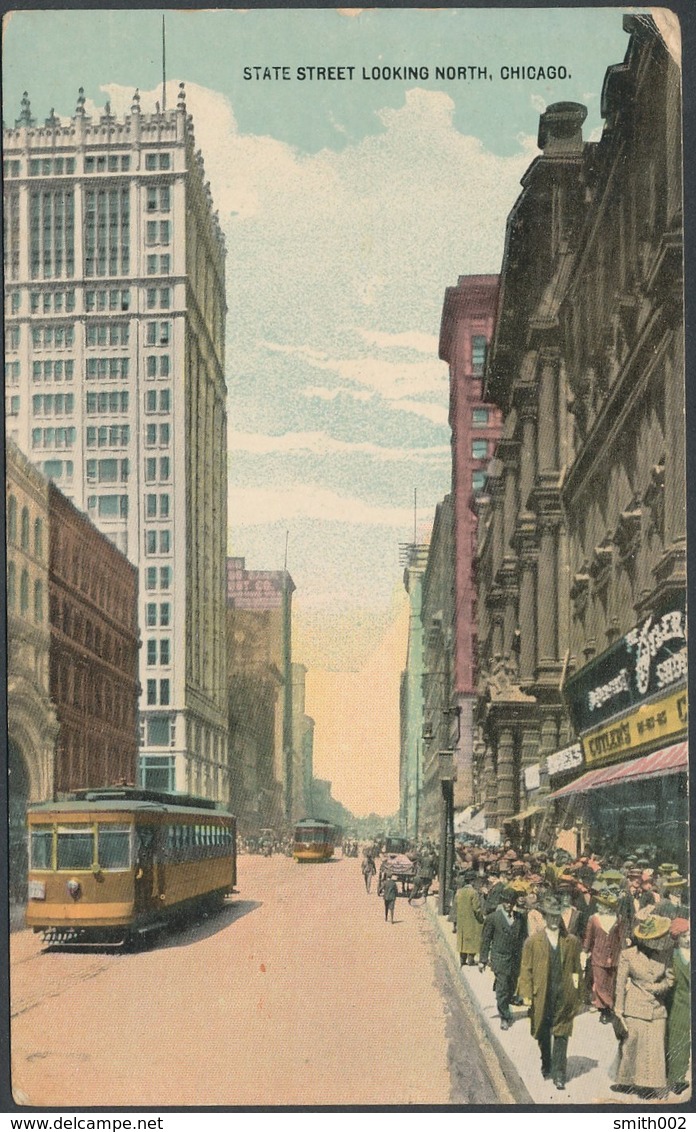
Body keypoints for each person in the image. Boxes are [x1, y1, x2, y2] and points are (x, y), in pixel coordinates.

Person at [518, 895, 583, 1091]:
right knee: (543, 1032)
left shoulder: (570, 941)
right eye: (551, 917)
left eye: (557, 916)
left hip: (563, 993)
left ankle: (559, 1074)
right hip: (542, 994)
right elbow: (526, 968)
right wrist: (527, 994)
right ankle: (546, 1062)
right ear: (545, 918)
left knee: (562, 1033)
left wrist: (577, 993)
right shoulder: (533, 942)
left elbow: (576, 969)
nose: (554, 920)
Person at [613, 915, 675, 1097]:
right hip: (634, 1006)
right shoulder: (628, 955)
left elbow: (670, 980)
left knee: (654, 1047)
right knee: (632, 1045)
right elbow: (620, 983)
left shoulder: (665, 955)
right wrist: (619, 1011)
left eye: (655, 939)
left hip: (657, 1008)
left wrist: (657, 987)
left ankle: (649, 1086)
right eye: (648, 939)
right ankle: (627, 1081)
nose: (652, 943)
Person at [479, 888, 526, 1030]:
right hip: (500, 957)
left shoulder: (520, 918)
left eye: (511, 902)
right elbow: (486, 939)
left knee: (511, 985)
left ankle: (504, 995)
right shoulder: (493, 918)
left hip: (515, 959)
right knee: (503, 987)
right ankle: (504, 1016)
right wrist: (483, 959)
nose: (509, 905)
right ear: (502, 902)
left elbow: (524, 938)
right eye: (506, 902)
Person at [582, 887, 625, 1023]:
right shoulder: (594, 918)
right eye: (601, 904)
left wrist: (625, 953)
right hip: (598, 955)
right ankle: (606, 1009)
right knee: (600, 983)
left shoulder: (618, 918)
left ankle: (608, 1007)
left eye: (605, 904)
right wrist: (584, 951)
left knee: (610, 983)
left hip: (614, 955)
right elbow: (588, 937)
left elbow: (622, 938)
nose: (601, 906)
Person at [666, 918, 690, 1096]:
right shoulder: (672, 956)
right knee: (678, 1040)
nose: (688, 939)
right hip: (679, 1004)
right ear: (677, 938)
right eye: (684, 936)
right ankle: (677, 1078)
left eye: (690, 935)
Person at [455, 872, 484, 966]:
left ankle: (462, 960)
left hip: (462, 920)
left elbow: (456, 904)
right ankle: (471, 960)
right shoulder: (474, 893)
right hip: (472, 920)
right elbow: (477, 909)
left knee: (462, 939)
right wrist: (481, 918)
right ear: (472, 881)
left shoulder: (459, 891)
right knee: (473, 939)